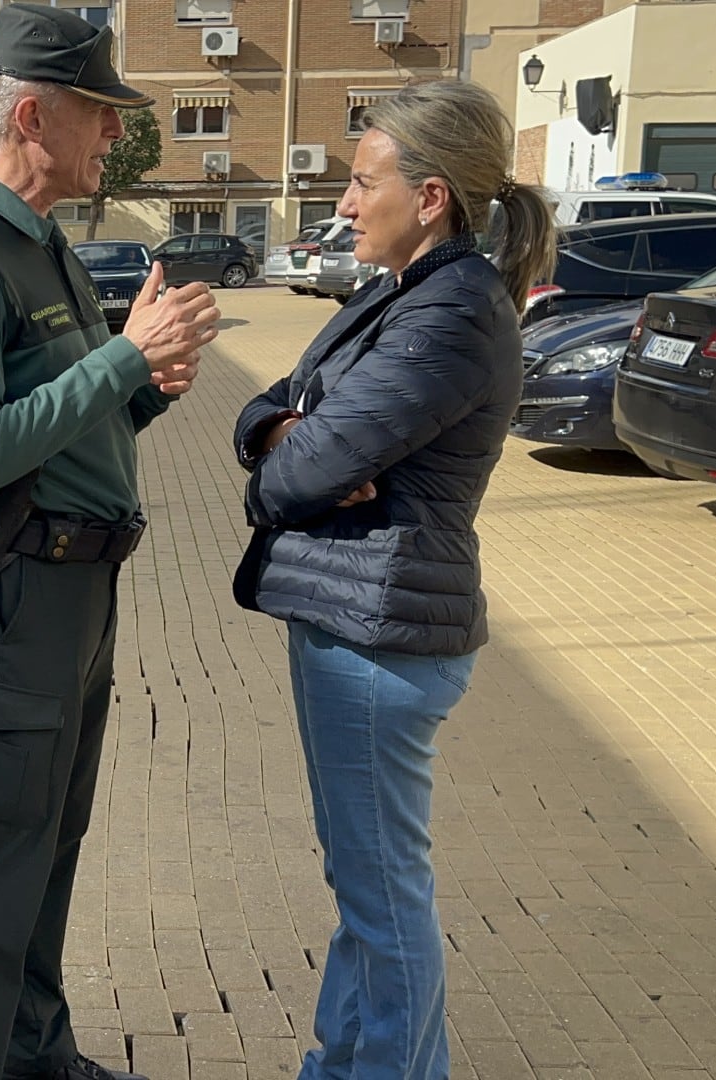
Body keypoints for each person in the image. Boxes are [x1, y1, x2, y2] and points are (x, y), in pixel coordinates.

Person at [0, 8, 218, 1079]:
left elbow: (81, 421)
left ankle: (32, 1051)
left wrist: (149, 386)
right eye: (98, 116)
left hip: (84, 587)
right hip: (20, 591)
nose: (112, 138)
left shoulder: (46, 249)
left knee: (50, 849)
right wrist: (124, 362)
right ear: (31, 115)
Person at [231, 79, 552, 1080]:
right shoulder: (395, 294)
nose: (341, 201)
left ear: (431, 198)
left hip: (378, 637)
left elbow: (294, 478)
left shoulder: (451, 314)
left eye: (363, 181)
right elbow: (275, 413)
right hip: (357, 623)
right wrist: (287, 429)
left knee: (382, 896)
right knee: (366, 886)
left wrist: (294, 449)